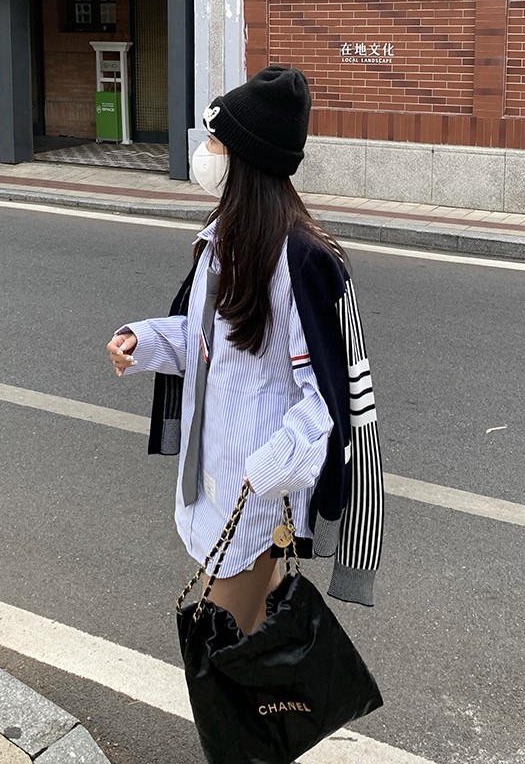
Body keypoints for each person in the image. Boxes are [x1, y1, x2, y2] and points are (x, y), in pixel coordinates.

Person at [107, 66, 383, 636]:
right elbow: (206, 342)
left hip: (254, 503)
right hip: (212, 476)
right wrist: (144, 341)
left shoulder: (303, 262)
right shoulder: (224, 238)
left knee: (223, 648)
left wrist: (263, 471)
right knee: (253, 642)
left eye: (215, 142)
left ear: (245, 159)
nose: (204, 152)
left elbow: (326, 400)